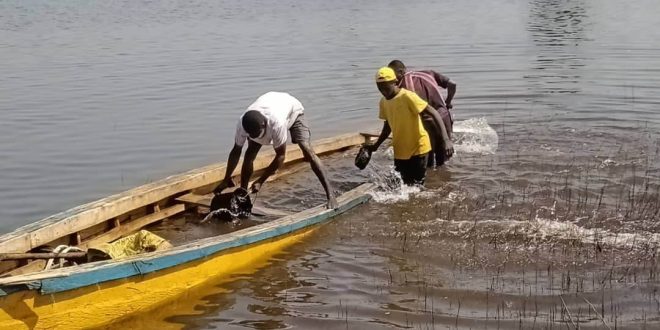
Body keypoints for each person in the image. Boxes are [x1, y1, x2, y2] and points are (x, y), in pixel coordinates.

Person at [213, 92, 338, 209]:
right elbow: (236, 151)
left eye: (258, 135)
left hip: (293, 112)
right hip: (271, 106)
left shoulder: (276, 123)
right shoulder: (243, 123)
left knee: (307, 150)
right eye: (252, 136)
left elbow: (281, 156)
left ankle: (330, 194)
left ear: (264, 125)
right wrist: (226, 178)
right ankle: (243, 194)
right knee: (250, 153)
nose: (255, 138)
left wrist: (261, 181)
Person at [365, 67, 453, 185]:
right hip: (400, 150)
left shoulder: (408, 96)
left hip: (419, 148)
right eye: (380, 88)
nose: (383, 91)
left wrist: (446, 139)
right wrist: (376, 145)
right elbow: (387, 127)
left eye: (386, 87)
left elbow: (433, 112)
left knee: (417, 187)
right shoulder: (383, 102)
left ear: (395, 82)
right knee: (403, 186)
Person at [388, 60, 457, 167]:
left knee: (427, 163)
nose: (393, 80)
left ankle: (432, 181)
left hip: (428, 124)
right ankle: (444, 181)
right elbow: (452, 84)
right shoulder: (428, 74)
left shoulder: (402, 88)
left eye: (393, 76)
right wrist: (448, 101)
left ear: (401, 72)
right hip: (444, 118)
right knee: (444, 161)